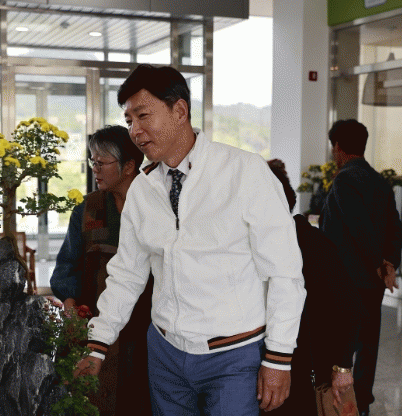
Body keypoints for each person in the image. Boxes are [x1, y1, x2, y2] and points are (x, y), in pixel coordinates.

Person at [74, 64, 306, 416]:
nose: (135, 131)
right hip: (165, 353)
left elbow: (284, 272)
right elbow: (127, 274)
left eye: (143, 116)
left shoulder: (244, 172)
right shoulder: (143, 189)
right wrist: (98, 343)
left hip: (234, 355)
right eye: (129, 121)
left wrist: (279, 357)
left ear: (179, 111)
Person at [50, 125, 152, 416]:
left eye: (101, 162)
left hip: (143, 330)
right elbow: (66, 266)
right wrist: (71, 308)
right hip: (92, 322)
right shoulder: (87, 209)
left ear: (129, 166)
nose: (94, 169)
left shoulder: (154, 206)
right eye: (92, 161)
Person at [265, 159, 361, 415]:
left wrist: (343, 366)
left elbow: (350, 305)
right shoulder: (257, 245)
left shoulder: (310, 241)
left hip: (307, 368)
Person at [319, 119, 402, 416]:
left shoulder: (344, 180)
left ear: (338, 148)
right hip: (372, 282)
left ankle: (340, 405)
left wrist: (379, 263)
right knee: (368, 343)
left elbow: (359, 228)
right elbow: (395, 227)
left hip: (347, 280)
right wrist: (389, 263)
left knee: (340, 346)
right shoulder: (380, 181)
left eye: (333, 147)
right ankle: (362, 403)